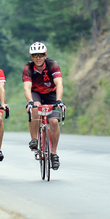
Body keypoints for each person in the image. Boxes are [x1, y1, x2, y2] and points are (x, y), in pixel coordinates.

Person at [23, 41, 66, 170]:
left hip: (51, 94)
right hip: (36, 94)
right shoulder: (28, 68)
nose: (38, 58)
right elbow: (27, 87)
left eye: (41, 55)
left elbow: (59, 83)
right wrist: (30, 101)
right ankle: (34, 139)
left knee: (53, 122)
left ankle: (54, 154)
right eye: (35, 55)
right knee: (35, 109)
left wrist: (59, 100)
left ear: (45, 55)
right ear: (31, 57)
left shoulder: (53, 65)